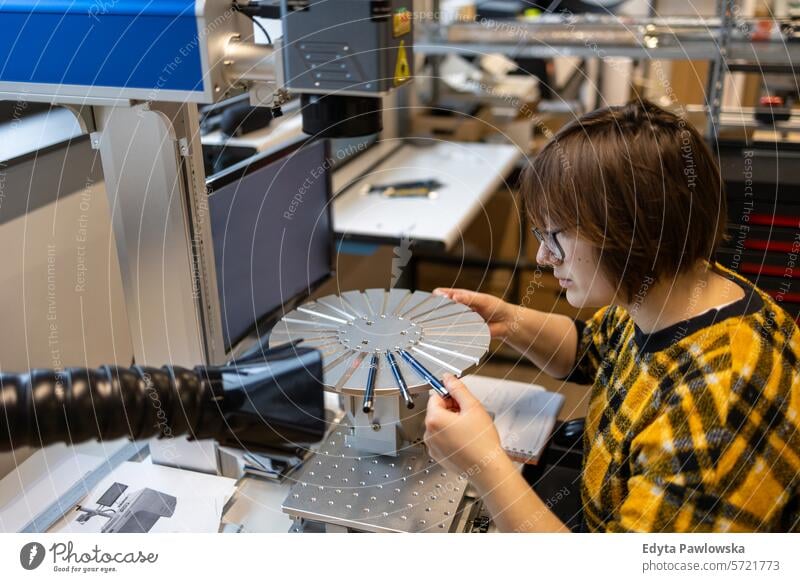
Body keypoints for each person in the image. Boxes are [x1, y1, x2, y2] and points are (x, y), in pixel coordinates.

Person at [424, 99, 800, 533]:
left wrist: (484, 465)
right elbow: (590, 350)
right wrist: (507, 320)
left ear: (631, 231)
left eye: (555, 235)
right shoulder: (674, 289)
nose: (543, 256)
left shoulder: (718, 408)